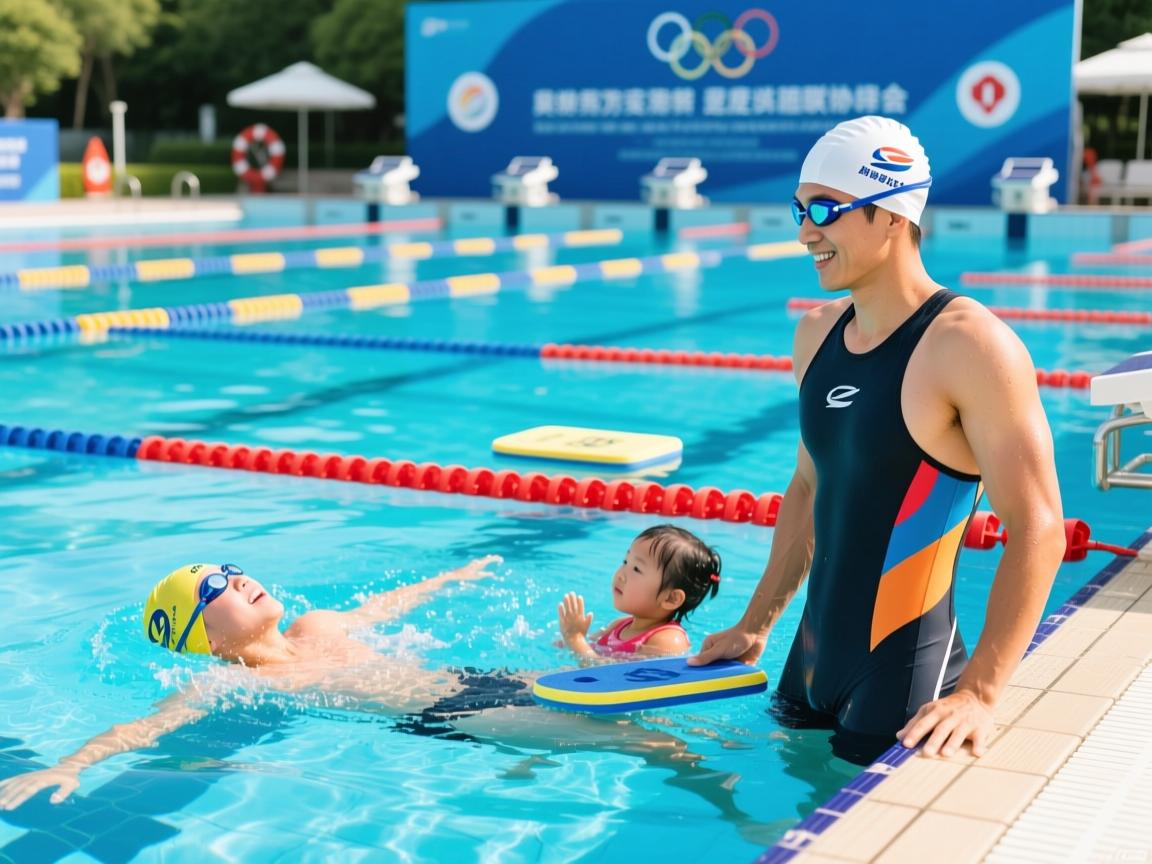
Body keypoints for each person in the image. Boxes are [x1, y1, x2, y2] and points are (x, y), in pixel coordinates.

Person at [690, 115, 1066, 765]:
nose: (806, 230)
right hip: (805, 666)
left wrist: (979, 692)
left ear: (891, 216)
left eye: (827, 209)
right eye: (801, 208)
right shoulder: (816, 334)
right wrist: (755, 626)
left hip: (902, 683)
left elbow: (1039, 528)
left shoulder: (969, 346)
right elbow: (810, 486)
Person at [0, 558, 752, 827]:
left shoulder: (320, 625)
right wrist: (72, 765)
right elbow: (145, 728)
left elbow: (388, 608)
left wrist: (451, 579)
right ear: (203, 632)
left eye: (229, 565)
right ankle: (722, 780)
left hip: (466, 679)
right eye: (215, 586)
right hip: (449, 715)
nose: (236, 575)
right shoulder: (219, 679)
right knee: (629, 737)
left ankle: (706, 747)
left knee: (603, 695)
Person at [557, 524, 721, 659]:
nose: (621, 574)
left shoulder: (668, 640)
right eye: (625, 561)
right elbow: (581, 649)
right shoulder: (618, 626)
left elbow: (613, 679)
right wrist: (569, 636)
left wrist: (575, 639)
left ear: (671, 598)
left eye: (636, 569)